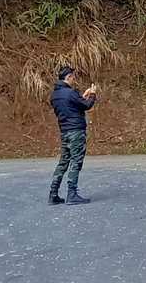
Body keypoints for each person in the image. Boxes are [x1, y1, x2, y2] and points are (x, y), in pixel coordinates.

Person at [48, 65, 98, 205]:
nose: (73, 81)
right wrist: (92, 94)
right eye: (72, 78)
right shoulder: (70, 93)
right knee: (76, 161)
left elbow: (72, 105)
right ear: (68, 77)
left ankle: (53, 194)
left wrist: (83, 96)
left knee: (63, 162)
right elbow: (86, 106)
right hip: (76, 131)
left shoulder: (54, 95)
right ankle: (72, 193)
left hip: (64, 131)